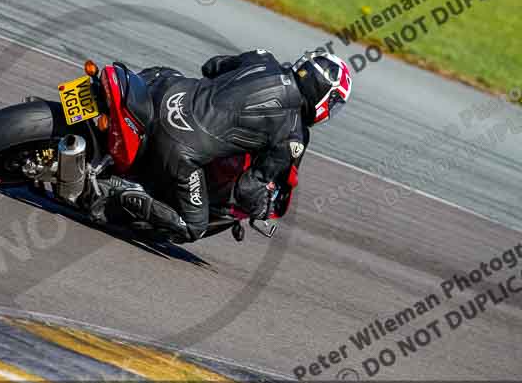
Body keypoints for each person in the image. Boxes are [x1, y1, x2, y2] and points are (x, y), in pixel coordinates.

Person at [97, 49, 353, 243]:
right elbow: (246, 190)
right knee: (193, 226)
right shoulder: (292, 134)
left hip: (165, 92)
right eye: (334, 103)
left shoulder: (263, 58)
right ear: (324, 96)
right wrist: (261, 209)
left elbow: (211, 66)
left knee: (167, 73)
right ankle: (119, 189)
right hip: (180, 148)